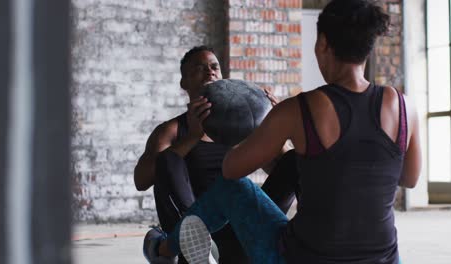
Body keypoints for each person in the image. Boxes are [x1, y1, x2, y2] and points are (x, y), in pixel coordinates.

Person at [145, 1, 422, 263]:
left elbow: (230, 169)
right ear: (368, 48)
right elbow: (409, 178)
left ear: (322, 44)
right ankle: (192, 243)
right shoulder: (403, 105)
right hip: (384, 258)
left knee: (236, 186)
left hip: (306, 258)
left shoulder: (298, 109)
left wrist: (267, 124)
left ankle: (164, 248)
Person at [135, 46, 297, 263]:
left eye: (214, 67)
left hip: (237, 225)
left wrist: (276, 128)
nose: (210, 72)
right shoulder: (172, 130)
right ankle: (196, 240)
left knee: (294, 160)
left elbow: (280, 168)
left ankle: (301, 241)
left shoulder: (238, 128)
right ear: (184, 82)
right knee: (168, 159)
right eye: (199, 69)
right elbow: (142, 180)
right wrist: (193, 136)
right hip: (199, 230)